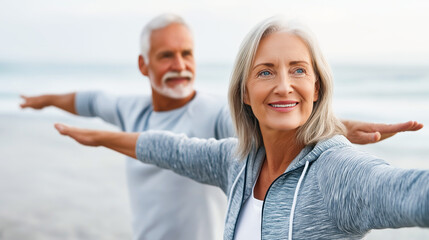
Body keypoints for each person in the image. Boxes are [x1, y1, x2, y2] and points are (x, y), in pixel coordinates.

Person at [23, 14, 424, 240]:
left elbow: (408, 192)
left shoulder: (338, 173)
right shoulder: (238, 164)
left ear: (317, 86)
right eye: (265, 72)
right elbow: (169, 148)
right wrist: (85, 130)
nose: (284, 84)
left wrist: (339, 129)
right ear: (245, 93)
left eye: (298, 70)